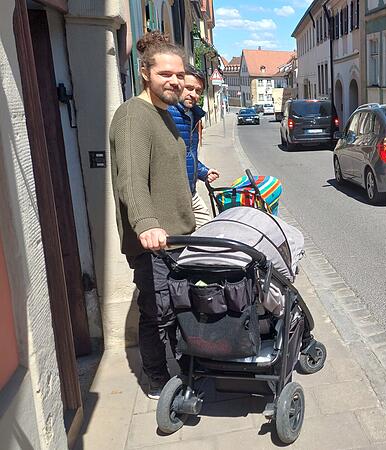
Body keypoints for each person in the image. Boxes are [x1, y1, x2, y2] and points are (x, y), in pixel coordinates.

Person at [109, 31, 195, 399]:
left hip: (177, 237)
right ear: (145, 72)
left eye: (179, 75)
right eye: (165, 74)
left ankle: (180, 365)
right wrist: (146, 224)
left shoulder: (165, 115)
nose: (174, 81)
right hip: (154, 242)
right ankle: (157, 380)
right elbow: (130, 178)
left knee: (176, 308)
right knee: (157, 313)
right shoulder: (134, 115)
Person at [168, 67, 220, 227]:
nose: (194, 95)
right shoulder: (169, 113)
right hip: (174, 195)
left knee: (207, 231)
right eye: (189, 88)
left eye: (198, 91)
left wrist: (203, 172)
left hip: (190, 191)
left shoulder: (192, 114)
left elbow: (188, 153)